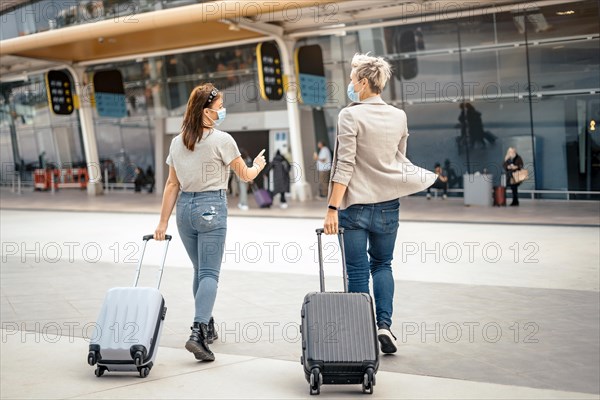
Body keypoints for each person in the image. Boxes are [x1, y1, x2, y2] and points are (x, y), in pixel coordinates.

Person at [323, 53, 436, 355]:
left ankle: (361, 334)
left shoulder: (350, 115)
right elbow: (398, 160)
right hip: (388, 206)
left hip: (355, 207)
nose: (349, 85)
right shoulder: (399, 116)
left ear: (362, 82)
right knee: (383, 265)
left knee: (357, 270)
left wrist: (332, 208)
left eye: (351, 80)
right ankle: (384, 325)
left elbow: (343, 165)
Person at [154, 84, 266, 362]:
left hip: (184, 212)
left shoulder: (177, 141)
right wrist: (260, 165)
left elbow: (171, 184)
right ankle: (198, 333)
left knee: (199, 270)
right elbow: (247, 176)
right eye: (219, 107)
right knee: (209, 274)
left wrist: (162, 223)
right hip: (211, 209)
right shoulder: (222, 140)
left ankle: (208, 323)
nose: (222, 111)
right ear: (206, 111)